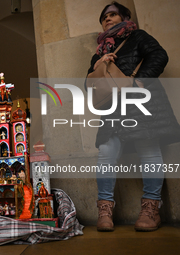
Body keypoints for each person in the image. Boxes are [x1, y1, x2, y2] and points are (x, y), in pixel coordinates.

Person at [86, 2, 180, 232]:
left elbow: (159, 55)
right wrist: (97, 66)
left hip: (141, 102)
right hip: (113, 108)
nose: (107, 18)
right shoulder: (99, 51)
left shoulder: (137, 36)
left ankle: (151, 210)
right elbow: (90, 85)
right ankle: (105, 211)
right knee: (106, 153)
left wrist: (140, 81)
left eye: (113, 14)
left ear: (124, 17)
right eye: (104, 16)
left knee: (148, 150)